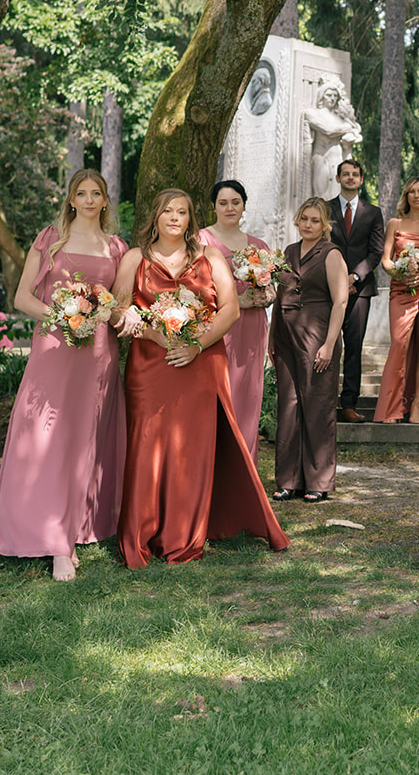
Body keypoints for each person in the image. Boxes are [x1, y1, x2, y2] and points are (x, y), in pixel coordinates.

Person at [112, 189, 288, 567]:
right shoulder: (134, 259)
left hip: (201, 364)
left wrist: (197, 345)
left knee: (192, 451)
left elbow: (230, 310)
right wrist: (155, 334)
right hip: (150, 366)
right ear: (155, 217)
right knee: (147, 447)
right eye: (167, 211)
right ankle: (141, 535)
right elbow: (120, 310)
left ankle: (183, 537)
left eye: (182, 212)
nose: (174, 218)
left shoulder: (210, 257)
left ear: (191, 219)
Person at [0, 170, 129, 580]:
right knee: (46, 436)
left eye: (95, 193)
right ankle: (50, 536)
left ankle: (72, 528)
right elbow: (21, 298)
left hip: (97, 352)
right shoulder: (50, 239)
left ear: (104, 201)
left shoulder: (116, 247)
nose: (87, 199)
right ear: (70, 200)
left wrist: (103, 316)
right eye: (80, 193)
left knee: (82, 439)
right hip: (53, 347)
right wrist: (63, 318)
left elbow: (117, 305)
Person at [270, 197, 350, 502]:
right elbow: (279, 296)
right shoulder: (289, 252)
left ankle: (318, 481)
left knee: (317, 407)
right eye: (304, 218)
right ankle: (288, 480)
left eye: (315, 220)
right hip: (286, 335)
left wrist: (329, 344)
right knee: (288, 407)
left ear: (325, 224)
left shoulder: (331, 254)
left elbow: (340, 301)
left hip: (318, 334)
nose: (308, 225)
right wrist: (271, 338)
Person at [199, 179, 273, 453]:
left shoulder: (258, 245)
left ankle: (245, 467)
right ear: (214, 207)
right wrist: (235, 301)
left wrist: (267, 297)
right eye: (223, 203)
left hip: (251, 330)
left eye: (235, 202)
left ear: (244, 206)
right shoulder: (201, 241)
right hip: (216, 327)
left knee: (247, 395)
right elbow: (193, 291)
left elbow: (272, 290)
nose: (229, 208)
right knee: (217, 394)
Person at [372, 177, 419, 423]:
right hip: (400, 292)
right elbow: (385, 259)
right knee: (398, 344)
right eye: (411, 191)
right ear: (406, 196)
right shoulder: (395, 223)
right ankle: (392, 407)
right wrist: (399, 272)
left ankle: (416, 405)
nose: (416, 195)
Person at [329, 159, 385, 422]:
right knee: (327, 344)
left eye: (355, 174)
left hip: (360, 290)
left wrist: (353, 277)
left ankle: (348, 404)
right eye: (346, 174)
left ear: (361, 180)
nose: (350, 178)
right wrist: (339, 278)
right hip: (327, 288)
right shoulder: (325, 209)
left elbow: (376, 252)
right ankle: (325, 402)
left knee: (354, 347)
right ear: (338, 178)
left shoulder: (373, 213)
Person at [304, 79, 362, 200]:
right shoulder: (313, 114)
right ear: (321, 96)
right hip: (321, 157)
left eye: (335, 96)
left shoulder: (340, 118)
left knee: (337, 196)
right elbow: (328, 130)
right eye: (328, 95)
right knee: (320, 195)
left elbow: (354, 131)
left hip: (337, 158)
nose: (332, 98)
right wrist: (347, 128)